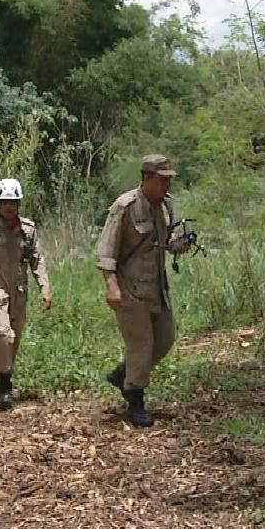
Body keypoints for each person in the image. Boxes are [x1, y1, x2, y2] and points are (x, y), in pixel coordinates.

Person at [95, 154, 190, 427]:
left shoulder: (165, 206)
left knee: (164, 339)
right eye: (162, 181)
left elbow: (165, 240)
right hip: (129, 288)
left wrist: (177, 245)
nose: (166, 186)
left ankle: (124, 374)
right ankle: (135, 400)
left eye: (169, 181)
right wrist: (111, 286)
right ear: (147, 178)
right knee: (141, 344)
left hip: (157, 287)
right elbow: (106, 250)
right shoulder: (125, 207)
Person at [0, 178, 52, 409]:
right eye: (4, 201)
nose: (8, 206)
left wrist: (44, 287)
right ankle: (3, 386)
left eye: (12, 202)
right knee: (3, 334)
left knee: (13, 341)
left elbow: (37, 260)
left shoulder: (27, 230)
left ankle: (4, 378)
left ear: (19, 203)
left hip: (19, 293)